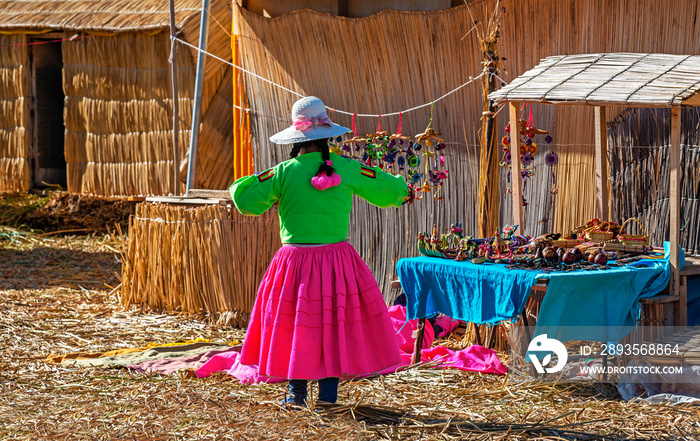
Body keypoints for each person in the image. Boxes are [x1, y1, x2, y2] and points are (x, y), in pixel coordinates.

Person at [229, 96, 413, 406]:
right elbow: (392, 189)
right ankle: (328, 396)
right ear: (327, 134)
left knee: (297, 323)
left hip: (294, 263)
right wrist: (402, 193)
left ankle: (296, 395)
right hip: (336, 261)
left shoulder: (284, 172)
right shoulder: (346, 168)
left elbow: (243, 198)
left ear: (297, 137)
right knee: (333, 323)